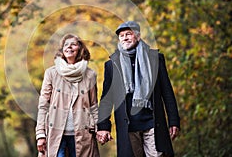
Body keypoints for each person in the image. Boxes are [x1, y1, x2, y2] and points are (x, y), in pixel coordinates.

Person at [96, 21, 180, 157]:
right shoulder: (112, 64)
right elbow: (107, 99)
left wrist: (174, 120)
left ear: (138, 36)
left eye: (129, 34)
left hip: (153, 123)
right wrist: (103, 126)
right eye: (122, 35)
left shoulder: (155, 59)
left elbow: (167, 92)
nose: (125, 38)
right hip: (128, 126)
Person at [35, 34, 100, 157]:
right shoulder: (51, 73)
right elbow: (43, 106)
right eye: (66, 44)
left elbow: (93, 106)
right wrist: (40, 134)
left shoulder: (90, 75)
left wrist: (99, 129)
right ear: (62, 50)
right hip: (56, 134)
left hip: (83, 134)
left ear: (80, 49)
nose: (69, 47)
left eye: (73, 44)